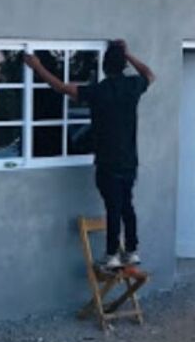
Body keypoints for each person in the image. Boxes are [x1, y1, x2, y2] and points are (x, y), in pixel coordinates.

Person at [24, 40, 156, 270]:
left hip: (108, 161)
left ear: (105, 67)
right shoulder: (133, 86)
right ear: (123, 65)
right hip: (129, 161)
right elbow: (149, 74)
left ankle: (112, 255)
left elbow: (61, 87)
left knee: (113, 208)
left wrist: (37, 67)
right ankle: (132, 251)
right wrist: (129, 54)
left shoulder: (99, 91)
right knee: (127, 206)